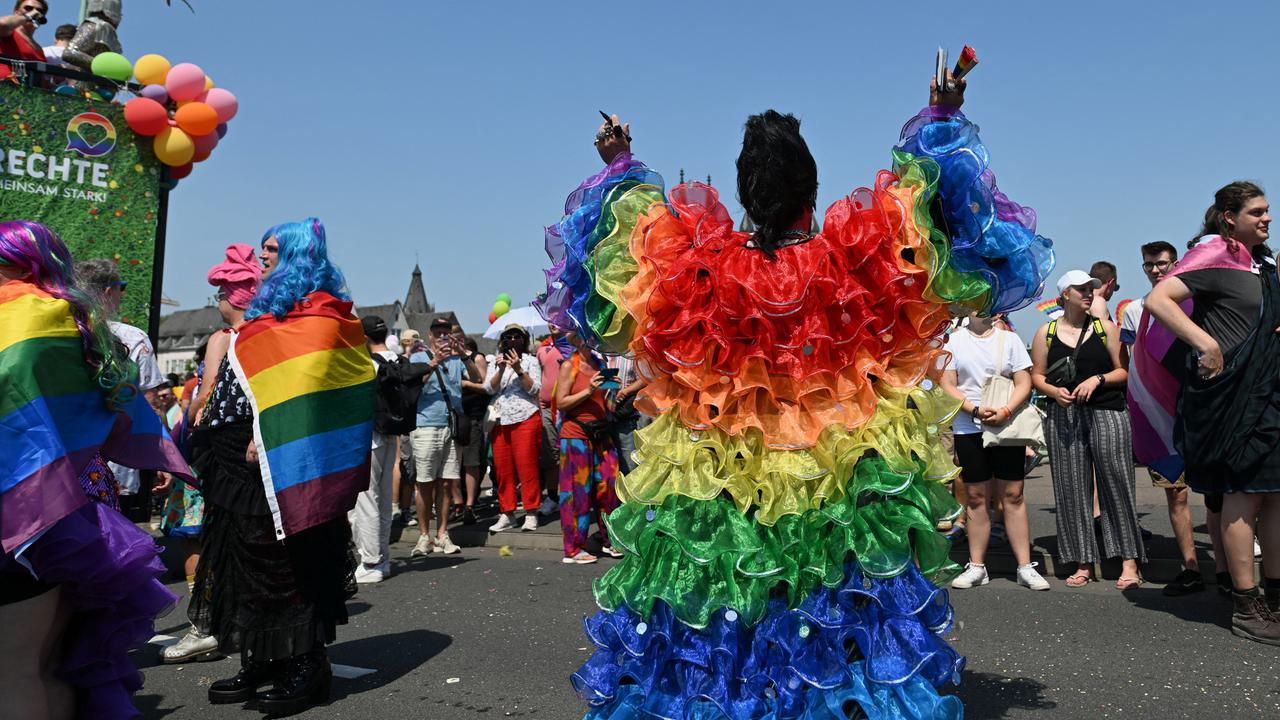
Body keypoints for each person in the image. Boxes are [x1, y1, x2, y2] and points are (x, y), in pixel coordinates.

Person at [539, 73, 1053, 717]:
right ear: (811, 189)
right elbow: (937, 210)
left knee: (729, 596)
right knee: (829, 600)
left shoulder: (699, 266)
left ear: (745, 196)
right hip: (832, 472)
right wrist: (942, 114)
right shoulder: (851, 258)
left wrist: (619, 160)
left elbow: (622, 237)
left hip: (722, 471)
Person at [0, 219, 191, 719]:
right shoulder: (78, 321)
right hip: (80, 511)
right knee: (50, 664)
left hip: (20, 513)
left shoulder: (19, 320)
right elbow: (122, 414)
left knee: (12, 671)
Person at [188, 218, 374, 714]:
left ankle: (306, 665)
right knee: (245, 562)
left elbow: (315, 387)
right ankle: (261, 658)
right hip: (231, 455)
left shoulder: (323, 314)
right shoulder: (268, 309)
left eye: (272, 246)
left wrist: (269, 433)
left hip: (280, 455)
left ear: (296, 253)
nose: (263, 252)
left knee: (289, 564)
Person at [1143, 181, 1280, 644]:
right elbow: (1157, 299)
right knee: (1243, 496)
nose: (1266, 217)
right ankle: (1246, 602)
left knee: (1275, 496)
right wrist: (1206, 343)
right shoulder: (1214, 256)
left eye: (1267, 211)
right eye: (1257, 212)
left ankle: (1275, 597)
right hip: (1230, 400)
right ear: (1229, 217)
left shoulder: (1264, 263)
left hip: (1269, 395)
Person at [160, 243, 262, 665]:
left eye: (221, 292)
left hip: (220, 456)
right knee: (248, 543)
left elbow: (204, 399)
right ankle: (241, 624)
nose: (217, 301)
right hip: (254, 456)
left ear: (232, 295)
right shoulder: (268, 334)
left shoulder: (225, 338)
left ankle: (207, 626)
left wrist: (190, 423)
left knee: (209, 541)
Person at [1030, 270, 1144, 589]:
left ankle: (1129, 561)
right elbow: (1037, 375)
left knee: (1117, 484)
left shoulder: (1106, 328)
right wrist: (1053, 392)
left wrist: (1099, 378)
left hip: (1107, 412)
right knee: (1071, 489)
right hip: (1064, 415)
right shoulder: (1046, 333)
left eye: (1090, 289)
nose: (1088, 294)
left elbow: (1125, 370)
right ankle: (1083, 561)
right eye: (1081, 289)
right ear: (1064, 294)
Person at [1121, 241, 1210, 597]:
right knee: (1176, 494)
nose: (1156, 270)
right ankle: (1191, 567)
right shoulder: (1134, 310)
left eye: (1162, 264)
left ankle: (1230, 565)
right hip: (1159, 416)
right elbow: (1130, 364)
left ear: (1176, 263)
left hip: (1201, 408)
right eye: (1149, 265)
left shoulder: (1197, 301)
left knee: (1221, 491)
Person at [941, 313, 1049, 591]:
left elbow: (1024, 381)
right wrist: (974, 410)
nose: (983, 307)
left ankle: (1025, 566)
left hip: (1006, 424)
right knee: (976, 497)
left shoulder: (1009, 339)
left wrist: (1005, 410)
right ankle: (977, 566)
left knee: (1013, 494)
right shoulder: (954, 341)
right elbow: (947, 384)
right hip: (968, 426)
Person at [76, 258, 168, 522]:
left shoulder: (59, 334)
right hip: (116, 464)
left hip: (63, 462)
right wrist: (161, 458)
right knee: (116, 548)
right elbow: (148, 407)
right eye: (121, 288)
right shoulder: (132, 338)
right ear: (108, 291)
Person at [353, 314, 421, 584]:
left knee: (366, 499)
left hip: (367, 434)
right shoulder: (397, 360)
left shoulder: (365, 363)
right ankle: (382, 557)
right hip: (391, 432)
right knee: (381, 500)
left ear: (364, 337)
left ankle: (370, 560)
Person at [408, 317, 481, 556]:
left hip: (452, 425)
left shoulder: (457, 358)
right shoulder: (419, 356)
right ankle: (423, 535)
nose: (442, 336)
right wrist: (435, 360)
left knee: (448, 483)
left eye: (446, 333)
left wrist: (464, 356)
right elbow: (415, 384)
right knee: (425, 483)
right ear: (429, 335)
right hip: (427, 425)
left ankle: (442, 534)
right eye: (438, 332)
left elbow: (477, 378)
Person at [553, 334, 619, 563]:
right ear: (578, 340)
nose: (593, 339)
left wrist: (613, 393)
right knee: (576, 492)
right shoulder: (569, 366)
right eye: (587, 335)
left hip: (600, 433)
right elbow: (561, 402)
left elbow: (606, 405)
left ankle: (610, 540)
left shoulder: (600, 364)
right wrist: (589, 390)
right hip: (575, 436)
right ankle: (573, 548)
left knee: (610, 486)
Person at [485, 323, 544, 532]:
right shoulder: (495, 362)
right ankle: (507, 512)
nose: (512, 340)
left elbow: (535, 389)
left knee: (527, 467)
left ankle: (530, 512)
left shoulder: (531, 361)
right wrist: (501, 370)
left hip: (525, 418)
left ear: (524, 339)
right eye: (508, 336)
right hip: (501, 420)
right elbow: (488, 388)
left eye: (517, 336)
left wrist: (519, 369)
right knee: (503, 470)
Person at [535, 326, 569, 517]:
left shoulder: (573, 345)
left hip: (567, 407)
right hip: (547, 408)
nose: (553, 322)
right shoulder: (542, 348)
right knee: (550, 455)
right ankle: (553, 497)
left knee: (568, 455)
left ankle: (568, 495)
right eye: (550, 318)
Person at [457, 336, 489, 524]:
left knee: (471, 462)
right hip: (455, 415)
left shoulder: (477, 358)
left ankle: (470, 503)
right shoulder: (449, 359)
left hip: (473, 416)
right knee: (455, 465)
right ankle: (459, 502)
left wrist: (466, 384)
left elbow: (484, 385)